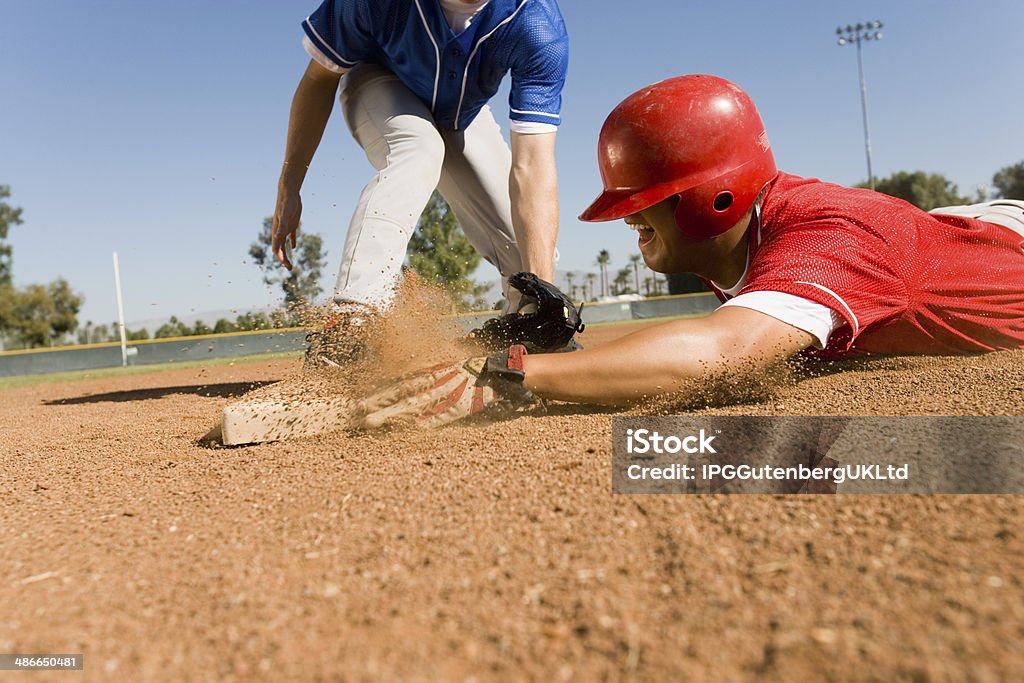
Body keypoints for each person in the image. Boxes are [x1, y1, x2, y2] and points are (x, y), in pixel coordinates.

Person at [352, 74, 1024, 429]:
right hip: (950, 232)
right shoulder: (755, 238)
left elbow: (718, 350)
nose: (628, 221)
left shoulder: (824, 240)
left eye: (644, 203)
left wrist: (501, 374)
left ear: (716, 198)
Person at [272, 0, 569, 366]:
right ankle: (351, 324)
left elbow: (533, 163)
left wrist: (543, 296)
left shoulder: (535, 21)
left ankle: (519, 332)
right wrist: (290, 183)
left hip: (461, 112)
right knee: (418, 148)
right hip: (379, 81)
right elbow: (319, 79)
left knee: (530, 255)